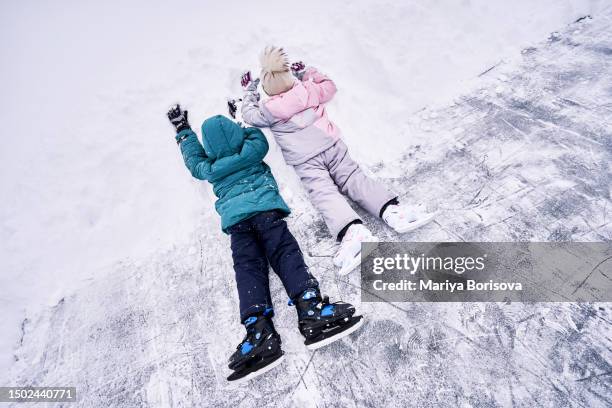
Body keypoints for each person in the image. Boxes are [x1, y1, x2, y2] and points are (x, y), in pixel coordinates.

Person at [167, 106, 363, 383]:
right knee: (285, 254)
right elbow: (256, 137)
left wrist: (183, 131)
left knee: (247, 269)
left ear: (209, 150)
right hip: (267, 214)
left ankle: (259, 330)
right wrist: (238, 119)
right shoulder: (252, 150)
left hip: (238, 225)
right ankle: (310, 308)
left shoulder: (209, 167)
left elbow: (193, 161)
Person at [240, 46, 436, 275]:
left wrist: (249, 90)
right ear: (291, 79)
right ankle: (392, 210)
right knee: (354, 178)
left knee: (323, 192)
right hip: (332, 145)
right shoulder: (308, 90)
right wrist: (307, 72)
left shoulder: (268, 110)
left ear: (268, 90)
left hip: (305, 160)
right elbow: (330, 87)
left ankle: (354, 232)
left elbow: (248, 114)